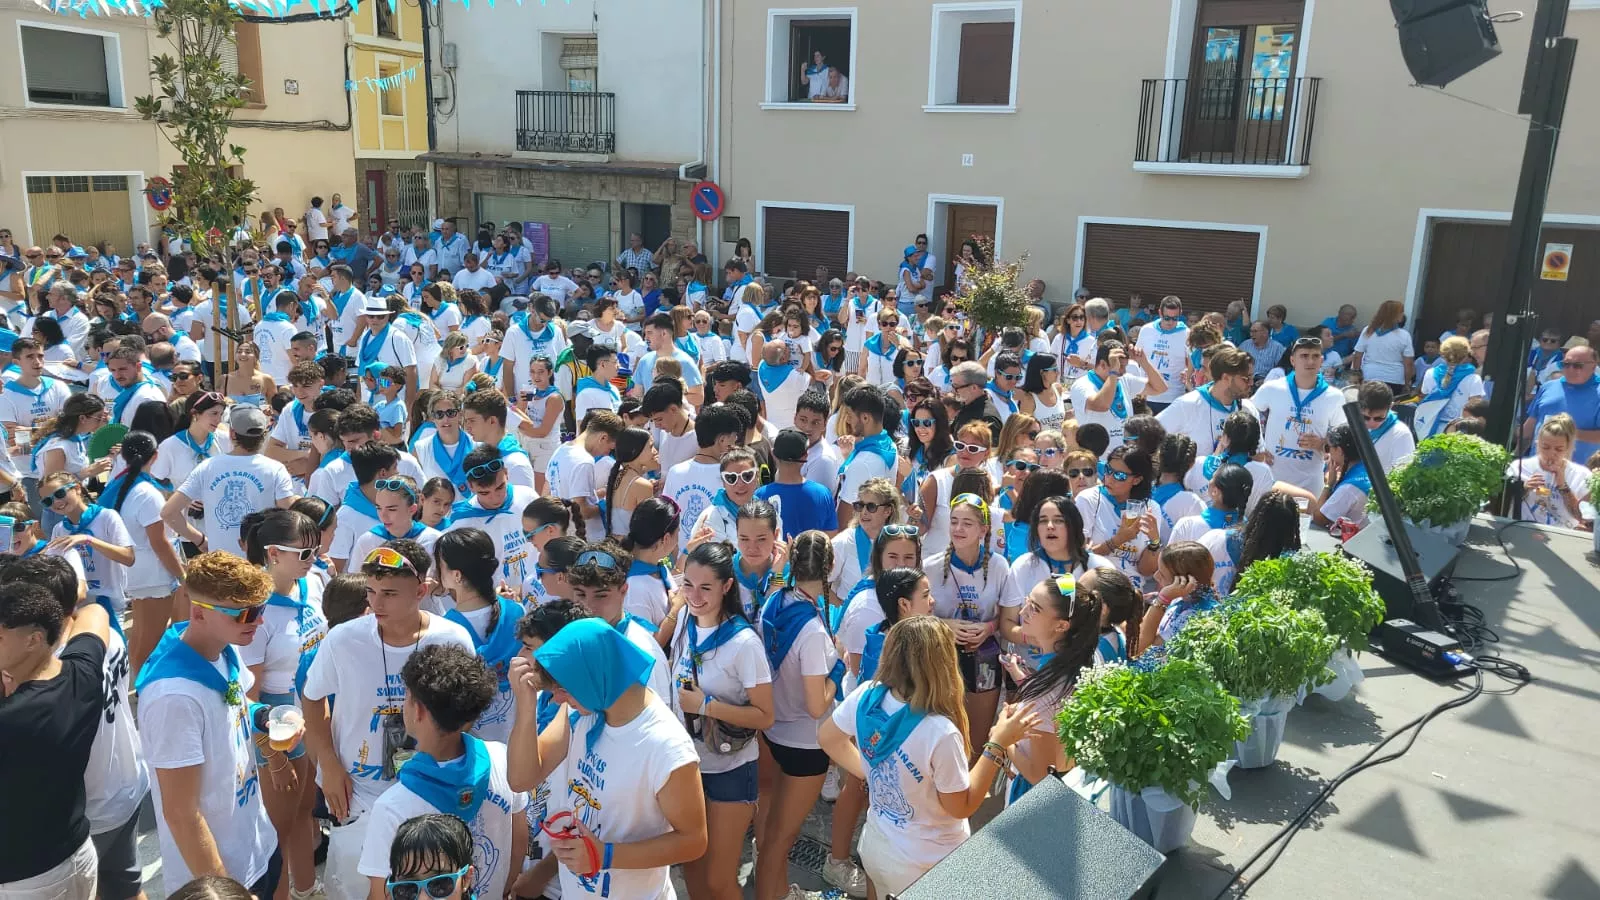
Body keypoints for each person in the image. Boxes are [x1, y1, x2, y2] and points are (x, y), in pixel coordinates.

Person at [301, 541, 474, 900]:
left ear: (421, 591)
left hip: (428, 791)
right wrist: (328, 764)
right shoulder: (343, 639)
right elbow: (312, 698)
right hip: (356, 795)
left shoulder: (451, 639)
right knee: (353, 890)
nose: (376, 603)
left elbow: (465, 715)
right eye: (371, 591)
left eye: (390, 594)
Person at [818, 617, 1038, 897]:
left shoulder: (867, 694)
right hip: (927, 861)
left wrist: (874, 773)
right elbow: (960, 806)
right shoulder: (939, 731)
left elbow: (828, 737)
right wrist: (998, 744)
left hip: (876, 843)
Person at [506, 615, 707, 899]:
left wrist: (605, 855)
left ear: (594, 677)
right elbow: (521, 779)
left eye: (564, 689)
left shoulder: (666, 747)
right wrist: (526, 708)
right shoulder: (580, 712)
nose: (557, 699)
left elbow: (694, 841)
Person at [136, 552, 281, 895]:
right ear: (199, 612)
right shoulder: (174, 698)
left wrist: (264, 718)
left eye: (260, 608)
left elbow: (236, 704)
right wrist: (227, 891)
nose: (259, 620)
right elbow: (180, 814)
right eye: (246, 613)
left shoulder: (222, 645)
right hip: (221, 874)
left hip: (258, 843)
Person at [356, 644, 528, 900]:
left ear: (418, 709)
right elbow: (519, 841)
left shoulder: (392, 807)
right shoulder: (502, 758)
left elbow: (381, 893)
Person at [663, 542, 775, 900]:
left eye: (705, 587)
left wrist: (707, 705)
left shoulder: (744, 644)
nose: (695, 596)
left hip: (731, 769)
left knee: (719, 879)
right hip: (686, 766)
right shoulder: (685, 619)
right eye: (688, 585)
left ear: (726, 586)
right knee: (692, 866)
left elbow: (765, 716)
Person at [0, 576, 113, 900]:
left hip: (24, 881)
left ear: (34, 639)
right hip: (77, 853)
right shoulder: (82, 673)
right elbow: (95, 613)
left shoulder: (10, 720)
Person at [239, 509, 327, 900]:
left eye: (316, 550)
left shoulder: (314, 583)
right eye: (304, 553)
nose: (314, 559)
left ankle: (306, 890)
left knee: (305, 812)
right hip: (278, 725)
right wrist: (273, 758)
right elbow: (251, 697)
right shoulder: (256, 609)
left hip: (311, 715)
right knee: (277, 831)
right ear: (273, 553)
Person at [754, 531, 844, 900]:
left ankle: (777, 891)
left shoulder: (774, 601)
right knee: (781, 839)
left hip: (771, 731)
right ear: (830, 567)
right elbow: (817, 705)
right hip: (805, 745)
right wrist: (837, 673)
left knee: (769, 830)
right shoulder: (813, 631)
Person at [1002, 571, 1104, 803]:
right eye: (1027, 602)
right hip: (1075, 781)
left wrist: (1003, 739)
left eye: (1034, 609)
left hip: (1033, 799)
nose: (1022, 612)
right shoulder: (1087, 658)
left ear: (1061, 625)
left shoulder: (1048, 687)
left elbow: (1040, 776)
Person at [163, 405, 297, 556]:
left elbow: (168, 512)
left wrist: (200, 541)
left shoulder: (207, 467)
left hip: (221, 562)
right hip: (261, 562)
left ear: (232, 433)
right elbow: (290, 517)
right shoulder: (276, 469)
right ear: (264, 434)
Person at [1253, 336, 1346, 494]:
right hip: (1272, 479)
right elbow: (1247, 414)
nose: (1310, 361)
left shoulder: (1334, 396)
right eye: (1304, 356)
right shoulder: (1272, 388)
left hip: (1310, 483)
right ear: (1292, 360)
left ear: (1321, 361)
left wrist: (1323, 443)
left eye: (1315, 356)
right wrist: (1256, 448)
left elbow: (1343, 437)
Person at [662, 403, 743, 546]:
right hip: (718, 556)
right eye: (734, 438)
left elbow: (665, 519)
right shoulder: (731, 476)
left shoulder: (675, 472)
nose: (735, 444)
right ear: (722, 440)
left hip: (681, 555)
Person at [547, 408, 624, 538]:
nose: (607, 453)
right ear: (603, 438)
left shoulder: (560, 450)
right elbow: (582, 511)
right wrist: (607, 504)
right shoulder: (584, 461)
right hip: (587, 537)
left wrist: (602, 493)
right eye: (610, 448)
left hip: (564, 533)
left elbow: (549, 490)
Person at [1509, 413, 1593, 528]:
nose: (1551, 453)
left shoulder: (1582, 475)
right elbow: (1502, 502)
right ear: (1537, 443)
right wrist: (1523, 488)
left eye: (1558, 449)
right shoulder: (1520, 467)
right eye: (1545, 447)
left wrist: (1563, 486)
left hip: (1561, 534)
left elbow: (1581, 517)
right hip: (1522, 528)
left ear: (1568, 448)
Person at [1070, 339, 1153, 453]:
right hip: (1097, 458)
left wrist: (1144, 363)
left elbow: (1160, 387)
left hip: (1123, 457)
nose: (1124, 372)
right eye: (1119, 366)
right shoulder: (1082, 385)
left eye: (1124, 366)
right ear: (1103, 364)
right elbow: (1102, 405)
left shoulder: (1123, 379)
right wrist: (1113, 372)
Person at [1523, 343, 1600, 464]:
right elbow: (1530, 426)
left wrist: (1566, 433)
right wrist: (1515, 454)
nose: (1570, 369)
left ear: (1593, 366)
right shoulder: (1548, 386)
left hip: (1578, 470)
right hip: (1538, 467)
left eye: (1577, 365)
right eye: (1566, 364)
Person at [758, 428, 839, 539]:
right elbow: (831, 536)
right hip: (813, 550)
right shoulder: (822, 493)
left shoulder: (760, 495)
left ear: (773, 454)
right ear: (805, 456)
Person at [1139, 541, 1222, 650]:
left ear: (1184, 582)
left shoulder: (1197, 616)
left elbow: (1140, 645)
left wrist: (1161, 601)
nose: (1155, 576)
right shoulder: (1179, 598)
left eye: (1162, 574)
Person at [835, 385, 899, 525]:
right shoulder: (890, 444)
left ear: (865, 418)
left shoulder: (862, 463)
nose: (848, 421)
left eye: (850, 415)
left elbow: (844, 520)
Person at [1308, 424, 1372, 530]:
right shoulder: (1367, 468)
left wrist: (1329, 484)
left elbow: (1319, 518)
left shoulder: (1349, 488)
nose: (1328, 454)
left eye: (1328, 448)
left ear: (1339, 450)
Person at [1352, 300, 1415, 393]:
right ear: (1394, 315)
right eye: (1401, 312)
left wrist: (1357, 376)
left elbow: (1357, 355)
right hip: (1394, 379)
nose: (1402, 314)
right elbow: (1408, 363)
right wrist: (1406, 384)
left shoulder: (1368, 330)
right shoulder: (1404, 335)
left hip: (1369, 376)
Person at [1359, 382, 1417, 474]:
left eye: (1378, 418)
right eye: (1365, 417)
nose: (1371, 423)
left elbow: (1403, 474)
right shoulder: (1354, 425)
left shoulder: (1401, 434)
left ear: (1390, 406)